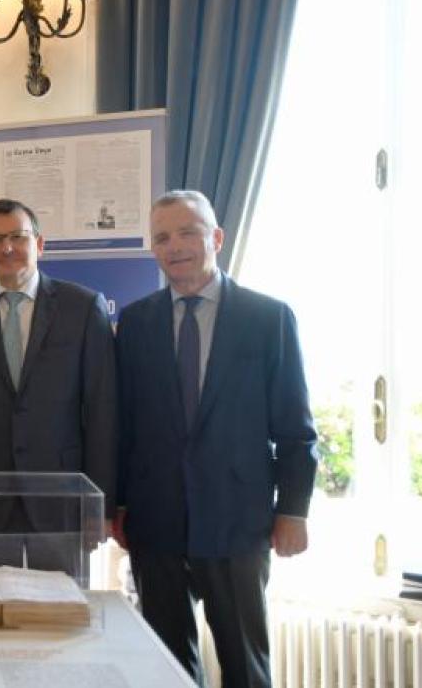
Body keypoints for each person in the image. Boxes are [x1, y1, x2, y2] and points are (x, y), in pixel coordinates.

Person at [113, 190, 317, 687]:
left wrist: (293, 510)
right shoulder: (135, 323)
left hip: (237, 519)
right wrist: (118, 505)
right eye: (162, 237)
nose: (175, 246)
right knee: (166, 663)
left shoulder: (268, 318)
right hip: (156, 520)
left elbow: (295, 426)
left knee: (245, 662)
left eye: (188, 232)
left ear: (217, 238)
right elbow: (123, 424)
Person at [0, 198, 118, 572]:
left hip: (62, 498)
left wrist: (101, 506)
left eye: (18, 236)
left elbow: (103, 414)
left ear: (40, 244)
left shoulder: (82, 308)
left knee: (60, 605)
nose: (7, 248)